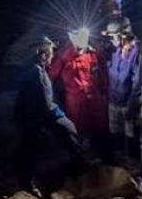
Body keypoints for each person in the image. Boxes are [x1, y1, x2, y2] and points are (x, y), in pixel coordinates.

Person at [14, 36, 87, 188]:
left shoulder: (34, 69)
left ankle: (26, 180)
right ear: (43, 54)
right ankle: (79, 166)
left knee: (28, 148)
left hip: (29, 116)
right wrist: (60, 114)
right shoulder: (37, 73)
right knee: (68, 129)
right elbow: (46, 104)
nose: (52, 56)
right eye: (50, 53)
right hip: (35, 116)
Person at [47, 27, 110, 158]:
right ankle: (84, 157)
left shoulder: (94, 53)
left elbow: (103, 73)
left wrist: (104, 92)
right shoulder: (63, 57)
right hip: (76, 102)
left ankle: (103, 155)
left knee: (100, 129)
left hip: (94, 98)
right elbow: (50, 77)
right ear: (72, 38)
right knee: (80, 131)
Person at [106, 20, 142, 162]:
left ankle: (135, 164)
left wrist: (132, 106)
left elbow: (138, 82)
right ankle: (119, 160)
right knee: (116, 133)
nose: (111, 40)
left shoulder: (135, 52)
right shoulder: (113, 49)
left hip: (129, 102)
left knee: (132, 135)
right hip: (113, 99)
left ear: (122, 35)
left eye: (113, 37)